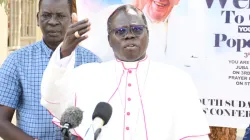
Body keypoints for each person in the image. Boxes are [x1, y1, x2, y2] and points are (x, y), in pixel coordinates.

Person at [41, 4, 210, 140]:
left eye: (137, 29)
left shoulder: (177, 81)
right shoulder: (87, 76)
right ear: (109, 39)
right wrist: (64, 52)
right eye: (120, 31)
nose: (129, 35)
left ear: (147, 34)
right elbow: (52, 99)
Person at [0, 0, 100, 139]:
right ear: (37, 19)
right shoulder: (16, 61)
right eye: (46, 15)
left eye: (60, 16)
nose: (53, 22)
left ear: (72, 19)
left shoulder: (92, 62)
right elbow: (1, 121)